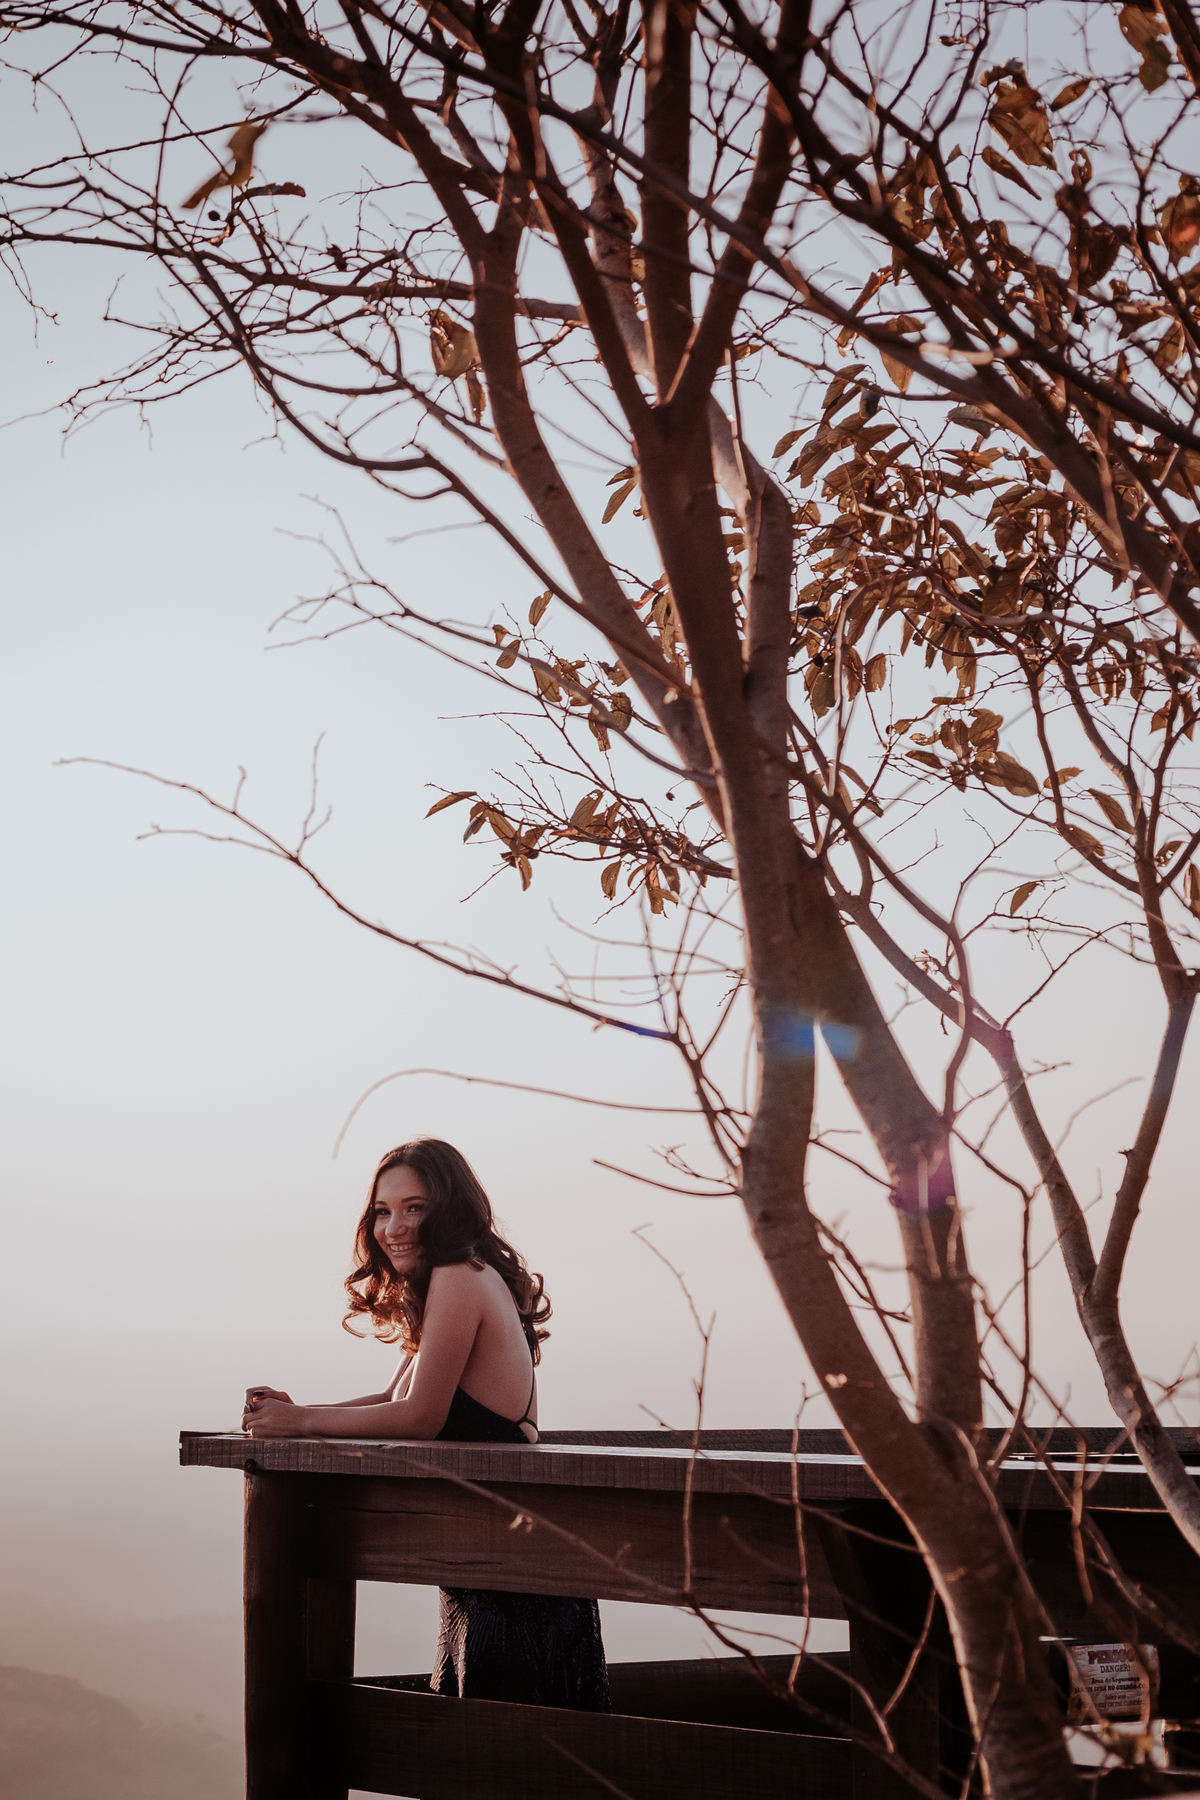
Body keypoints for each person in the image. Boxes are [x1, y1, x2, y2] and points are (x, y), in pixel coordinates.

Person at [241, 1137, 610, 1711]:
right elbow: (393, 1397)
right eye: (383, 1211)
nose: (395, 1226)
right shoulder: (451, 1279)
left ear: (452, 1207)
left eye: (415, 1207)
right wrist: (293, 1414)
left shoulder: (461, 1275)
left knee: (505, 1754)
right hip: (486, 1562)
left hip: (515, 1576)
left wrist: (297, 1423)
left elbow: (420, 1417)